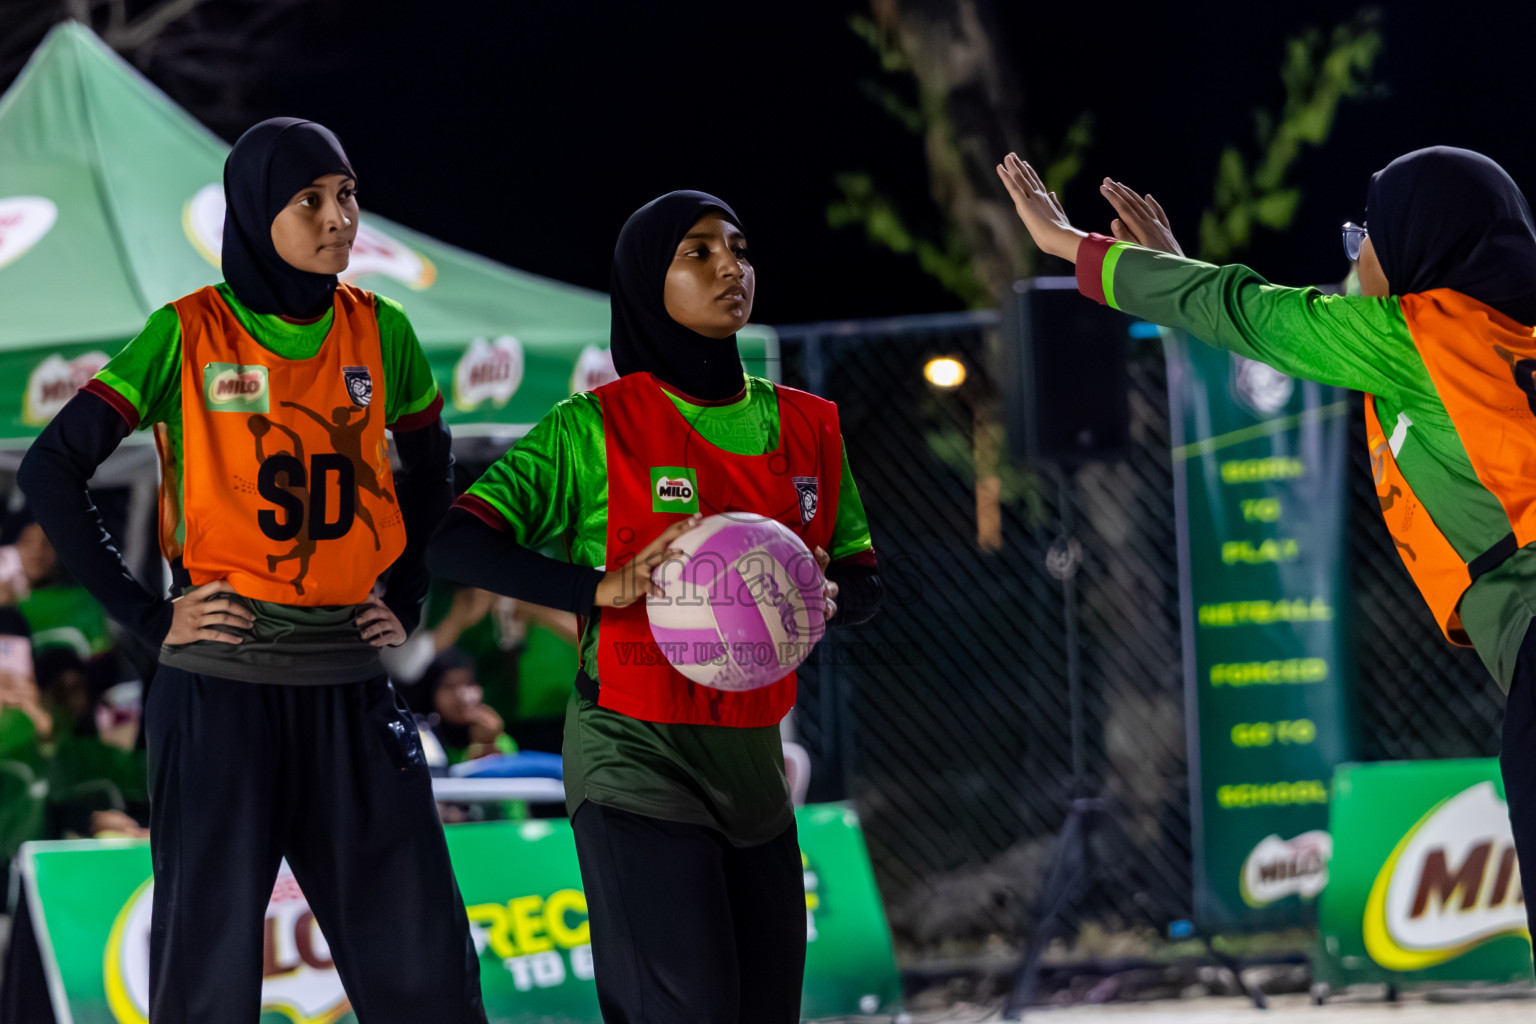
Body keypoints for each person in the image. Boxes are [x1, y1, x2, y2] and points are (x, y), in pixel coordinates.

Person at [997, 145, 1536, 946]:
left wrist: (1071, 246)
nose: (1355, 259)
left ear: (1423, 245)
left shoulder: (1418, 335)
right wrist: (1175, 273)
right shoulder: (1499, 334)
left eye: (1370, 238)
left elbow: (1249, 310)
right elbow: (1270, 326)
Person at [18, 118, 485, 1023]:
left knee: (426, 967)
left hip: (351, 685)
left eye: (347, 195)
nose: (338, 217)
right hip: (221, 694)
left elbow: (435, 470)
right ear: (255, 210)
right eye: (309, 199)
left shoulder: (381, 330)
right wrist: (145, 617)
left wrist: (407, 590)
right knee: (208, 981)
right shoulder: (186, 331)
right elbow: (51, 467)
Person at [428, 190, 884, 1023]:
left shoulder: (810, 426)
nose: (730, 268)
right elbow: (453, 540)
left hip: (753, 761)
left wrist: (828, 594)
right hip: (634, 753)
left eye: (739, 249)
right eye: (698, 252)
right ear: (646, 281)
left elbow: (865, 579)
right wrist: (590, 587)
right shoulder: (592, 429)